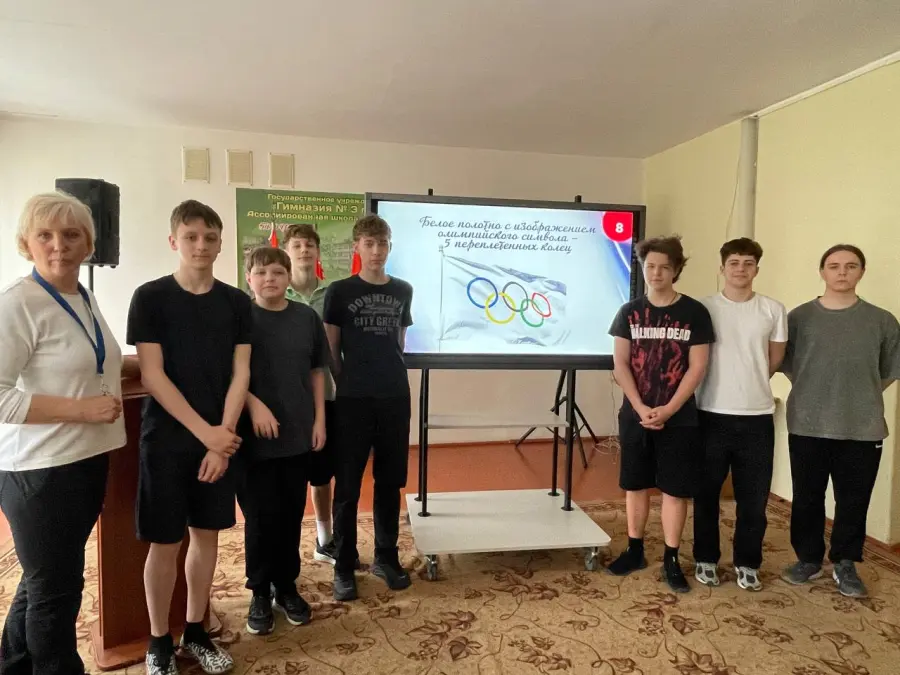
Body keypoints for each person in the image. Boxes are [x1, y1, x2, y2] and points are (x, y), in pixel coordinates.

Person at [0, 192, 126, 675]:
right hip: (40, 471)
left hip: (83, 462)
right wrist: (80, 410)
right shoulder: (19, 303)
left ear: (89, 243)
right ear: (25, 243)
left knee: (41, 582)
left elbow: (90, 362)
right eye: (45, 235)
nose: (59, 245)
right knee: (56, 594)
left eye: (72, 234)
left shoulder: (82, 296)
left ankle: (14, 665)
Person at [127, 200, 252, 675]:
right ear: (173, 241)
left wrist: (223, 438)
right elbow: (153, 376)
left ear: (220, 244)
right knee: (164, 542)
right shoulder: (150, 298)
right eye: (191, 236)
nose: (201, 245)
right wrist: (209, 436)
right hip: (166, 441)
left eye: (210, 237)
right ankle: (159, 640)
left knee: (206, 536)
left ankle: (196, 630)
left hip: (220, 438)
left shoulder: (236, 303)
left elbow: (241, 373)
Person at [780, 244, 900, 598]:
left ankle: (845, 563)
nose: (842, 272)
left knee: (853, 500)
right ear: (822, 272)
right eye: (834, 266)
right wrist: (817, 391)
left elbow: (888, 371)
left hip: (861, 427)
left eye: (851, 265)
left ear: (862, 272)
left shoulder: (882, 320)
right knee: (807, 497)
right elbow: (788, 365)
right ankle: (808, 559)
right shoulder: (799, 318)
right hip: (807, 424)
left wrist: (857, 393)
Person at [607, 235, 715, 593]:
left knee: (674, 489)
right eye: (650, 266)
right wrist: (640, 407)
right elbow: (620, 364)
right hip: (635, 414)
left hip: (679, 418)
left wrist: (669, 409)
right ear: (643, 268)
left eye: (664, 267)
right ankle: (634, 549)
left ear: (676, 270)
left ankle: (671, 558)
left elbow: (697, 367)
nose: (656, 273)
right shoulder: (628, 312)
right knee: (635, 484)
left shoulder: (694, 312)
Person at [323, 214, 414, 601]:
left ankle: (385, 556)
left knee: (390, 481)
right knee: (347, 485)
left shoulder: (403, 290)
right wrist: (347, 382)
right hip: (353, 399)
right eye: (370, 243)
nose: (377, 251)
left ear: (390, 247)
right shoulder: (340, 291)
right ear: (357, 247)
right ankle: (344, 564)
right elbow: (331, 346)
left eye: (383, 244)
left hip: (394, 396)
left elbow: (400, 342)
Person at [238, 246, 328, 633]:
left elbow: (317, 372)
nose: (269, 279)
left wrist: (319, 419)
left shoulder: (306, 318)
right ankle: (259, 590)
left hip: (297, 430)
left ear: (289, 278)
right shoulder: (240, 318)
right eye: (261, 273)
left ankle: (286, 586)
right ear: (249, 279)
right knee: (260, 516)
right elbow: (227, 373)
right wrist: (253, 404)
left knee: (291, 514)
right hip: (252, 437)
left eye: (277, 272)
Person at [692, 238, 787, 592]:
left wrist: (751, 381)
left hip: (757, 416)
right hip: (710, 412)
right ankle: (705, 557)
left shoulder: (772, 309)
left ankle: (748, 562)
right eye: (734, 263)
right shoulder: (704, 308)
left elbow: (773, 359)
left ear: (757, 269)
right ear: (722, 268)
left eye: (748, 263)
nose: (741, 269)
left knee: (754, 499)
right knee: (706, 494)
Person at [281, 223, 340, 564]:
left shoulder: (332, 295)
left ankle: (325, 539)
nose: (304, 250)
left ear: (317, 252)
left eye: (309, 245)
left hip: (325, 397)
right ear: (286, 251)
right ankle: (282, 554)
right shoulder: (274, 291)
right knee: (286, 480)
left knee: (321, 473)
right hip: (285, 401)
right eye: (297, 245)